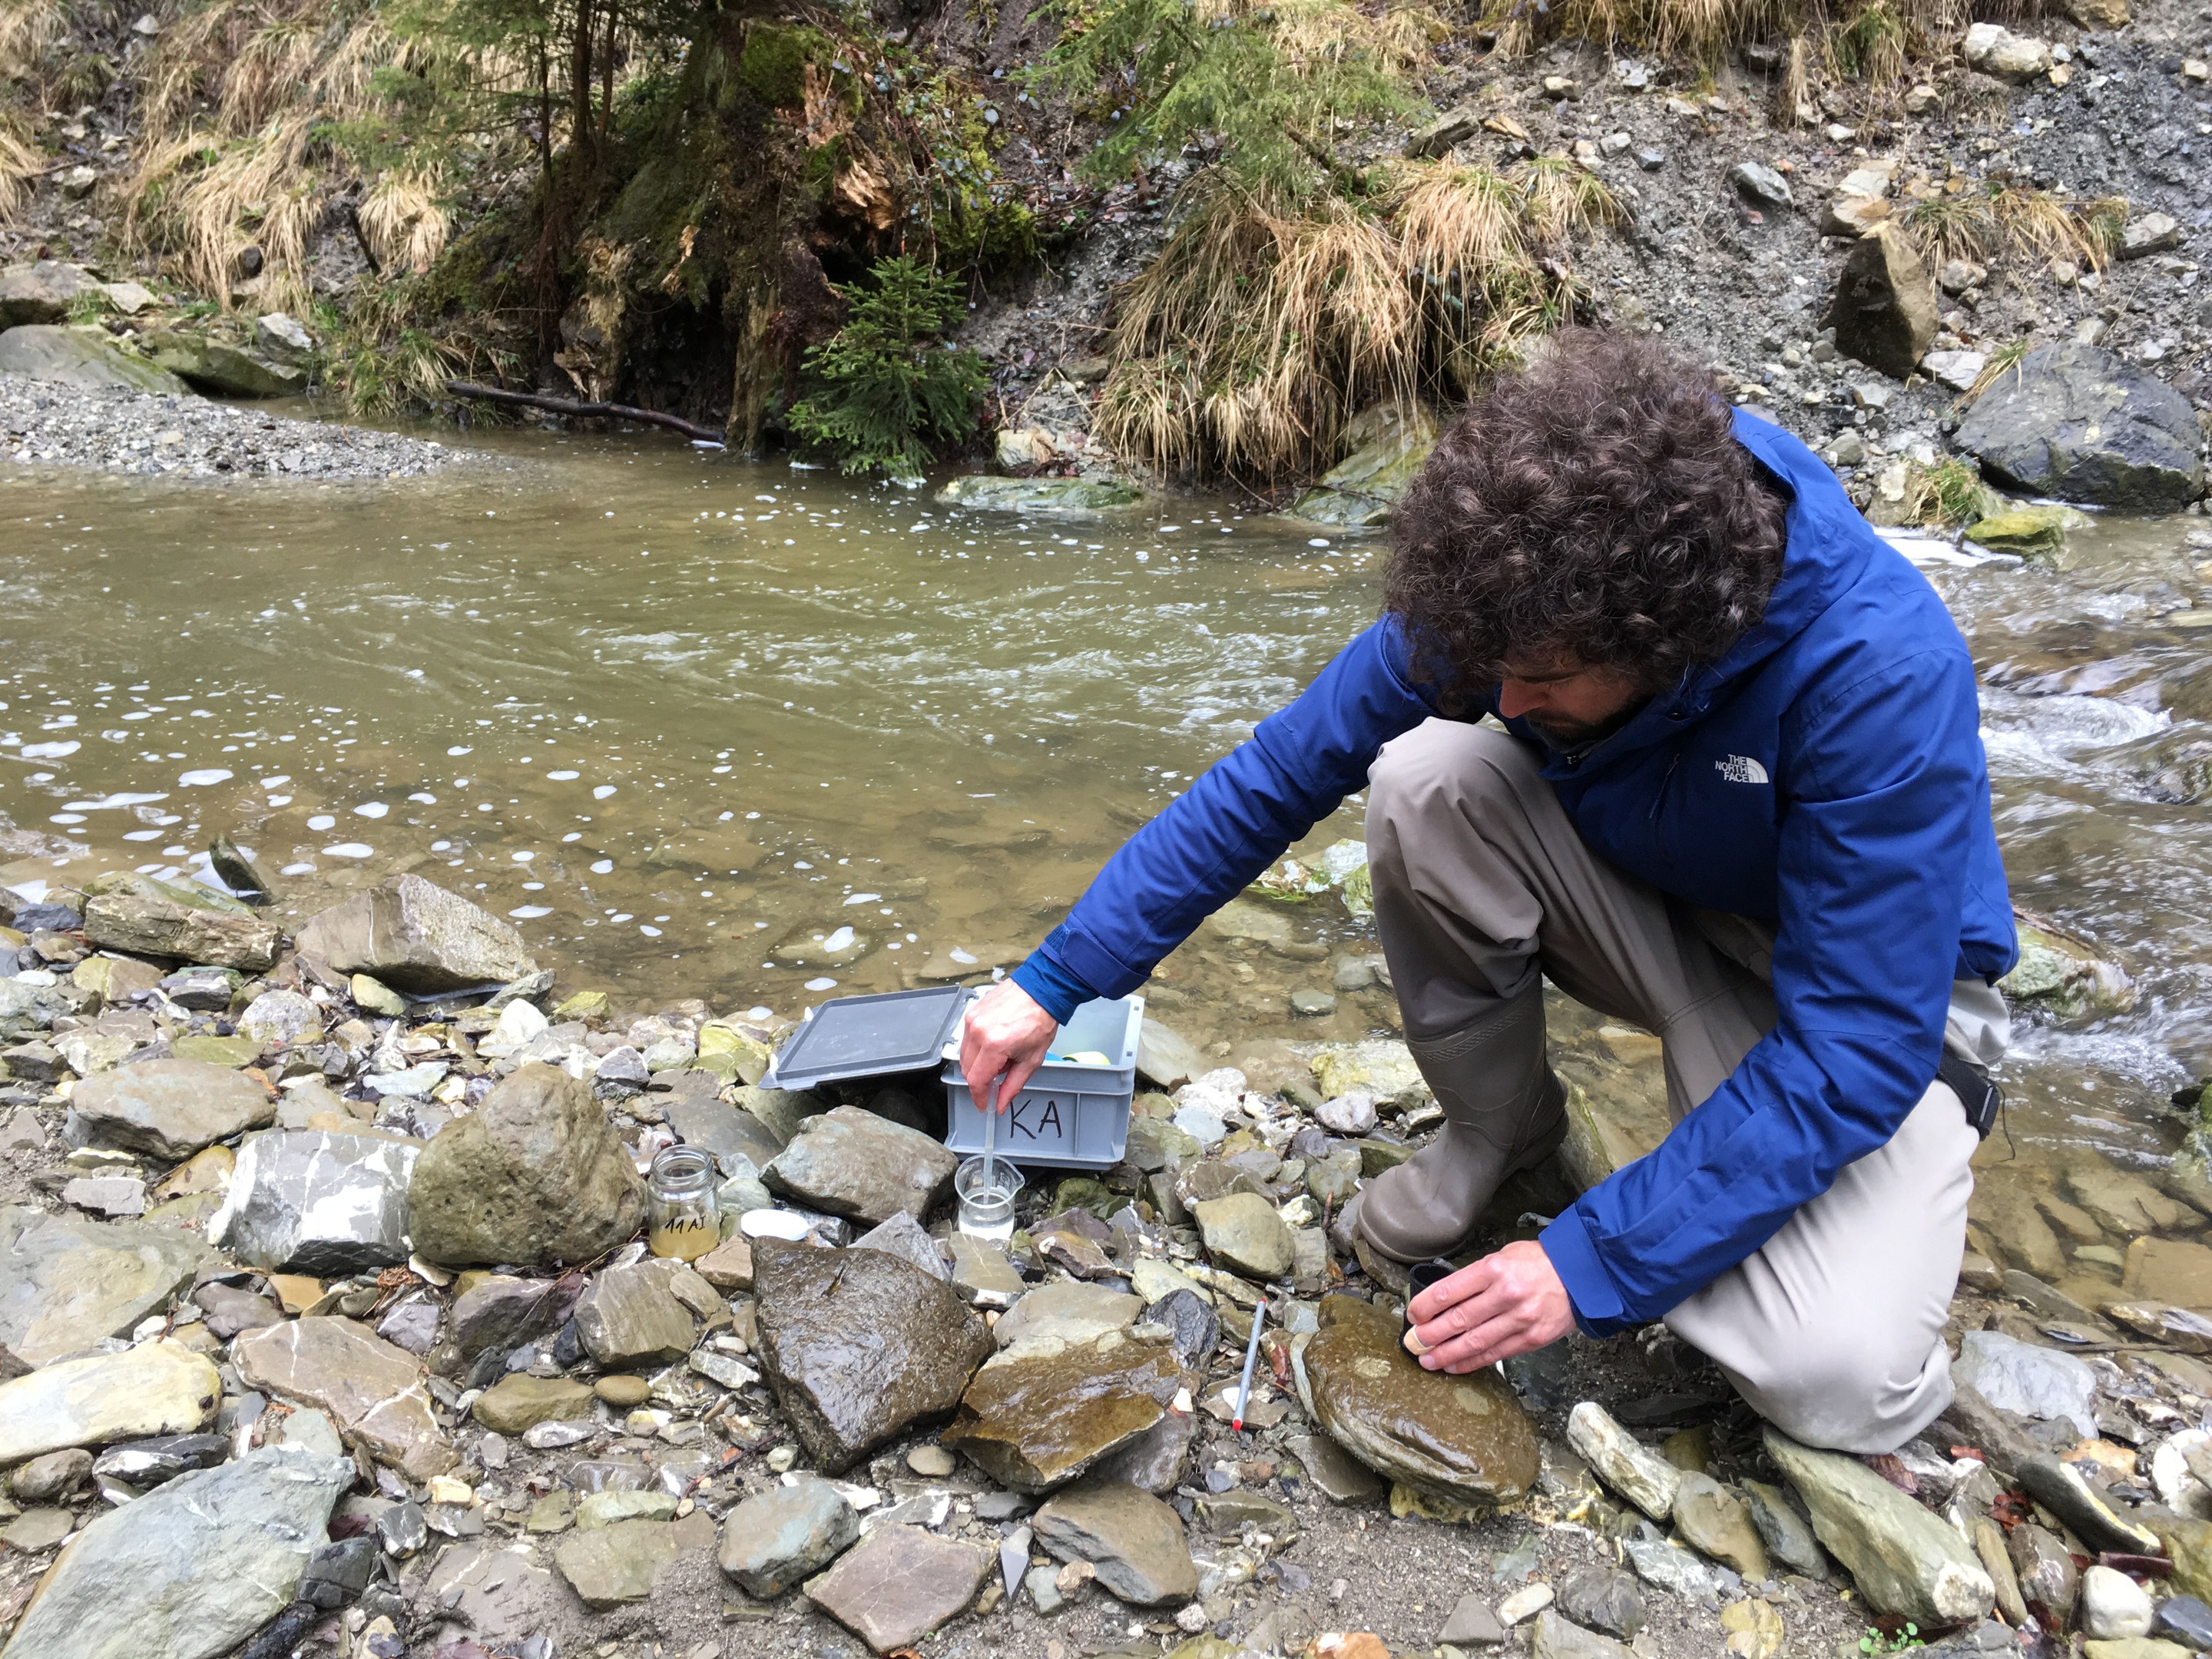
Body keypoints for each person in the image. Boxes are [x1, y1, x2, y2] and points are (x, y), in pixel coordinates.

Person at [957, 329, 2015, 1455]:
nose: (1505, 702)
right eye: (1493, 669)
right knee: (1427, 778)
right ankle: (1504, 1136)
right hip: (1655, 905)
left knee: (1833, 1380)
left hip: (1867, 1002)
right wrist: (1058, 979)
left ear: (1665, 640)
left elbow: (1857, 1041)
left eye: (1544, 679)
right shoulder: (1516, 571)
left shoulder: (1878, 667)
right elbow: (1281, 773)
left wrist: (1589, 1261)